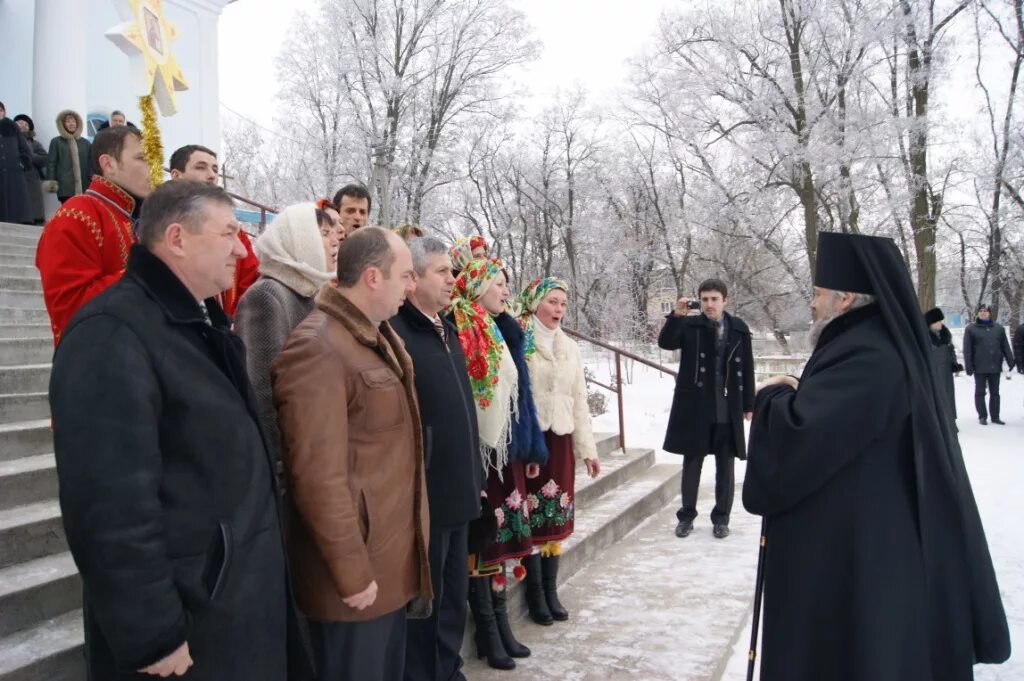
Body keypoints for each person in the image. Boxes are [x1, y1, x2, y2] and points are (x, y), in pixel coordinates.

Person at [48, 179, 311, 680]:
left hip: (233, 605)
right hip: (189, 629)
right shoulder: (112, 333)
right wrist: (153, 634)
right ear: (177, 238)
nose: (241, 247)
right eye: (229, 233)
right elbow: (108, 506)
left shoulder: (202, 324)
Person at [743, 231, 1009, 681]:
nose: (812, 304)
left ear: (845, 298)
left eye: (817, 293)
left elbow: (802, 437)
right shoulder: (874, 342)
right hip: (863, 538)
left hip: (861, 554)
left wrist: (773, 395)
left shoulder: (868, 353)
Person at [272, 227, 432, 681]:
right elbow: (316, 477)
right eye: (404, 275)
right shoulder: (318, 346)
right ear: (372, 277)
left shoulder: (372, 337)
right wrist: (351, 571)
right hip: (356, 581)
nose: (412, 284)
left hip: (387, 564)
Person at [389, 237, 484, 681]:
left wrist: (475, 471)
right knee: (427, 605)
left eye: (452, 270)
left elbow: (462, 408)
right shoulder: (397, 334)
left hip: (458, 491)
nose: (453, 279)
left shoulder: (443, 328)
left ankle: (448, 670)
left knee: (452, 598)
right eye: (442, 272)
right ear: (413, 281)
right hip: (426, 497)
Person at [448, 257, 548, 671]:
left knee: (504, 540)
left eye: (507, 284)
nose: (506, 291)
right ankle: (489, 632)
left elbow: (520, 393)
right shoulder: (463, 325)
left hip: (507, 449)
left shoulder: (500, 327)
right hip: (484, 452)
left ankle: (502, 624)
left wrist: (529, 445)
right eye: (498, 283)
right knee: (485, 541)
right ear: (477, 287)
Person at [516, 277, 601, 625]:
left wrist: (588, 449)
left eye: (563, 304)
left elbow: (579, 400)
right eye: (552, 302)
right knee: (534, 518)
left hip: (562, 440)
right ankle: (535, 595)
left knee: (556, 519)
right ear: (536, 302)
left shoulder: (570, 346)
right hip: (533, 442)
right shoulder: (520, 340)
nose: (558, 310)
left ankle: (551, 590)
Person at [233, 202, 339, 475]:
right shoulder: (267, 296)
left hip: (316, 455)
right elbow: (263, 391)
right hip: (292, 468)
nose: (335, 241)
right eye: (324, 234)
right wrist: (285, 467)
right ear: (299, 239)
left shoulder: (310, 294)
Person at [36, 126, 152, 343]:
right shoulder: (76, 214)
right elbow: (71, 308)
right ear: (108, 164)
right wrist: (153, 270)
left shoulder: (132, 219)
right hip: (95, 364)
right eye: (143, 158)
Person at [658, 279, 754, 539]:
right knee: (692, 464)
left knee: (726, 465)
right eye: (705, 299)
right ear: (699, 301)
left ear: (725, 300)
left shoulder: (739, 330)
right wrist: (676, 316)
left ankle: (721, 518)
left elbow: (747, 367)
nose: (709, 304)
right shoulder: (690, 325)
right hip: (696, 407)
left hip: (727, 407)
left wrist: (748, 404)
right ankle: (686, 517)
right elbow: (665, 343)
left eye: (714, 299)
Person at [169, 143, 259, 315]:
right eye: (201, 167)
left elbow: (251, 282)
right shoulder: (160, 223)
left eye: (215, 169)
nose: (211, 176)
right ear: (176, 175)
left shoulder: (234, 230)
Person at [963, 303, 1015, 425]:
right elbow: (967, 349)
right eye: (981, 311)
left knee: (995, 393)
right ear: (977, 313)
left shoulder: (998, 329)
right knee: (980, 392)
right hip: (979, 366)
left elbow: (1005, 346)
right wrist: (969, 366)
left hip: (995, 366)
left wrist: (1010, 360)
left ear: (990, 313)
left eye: (986, 311)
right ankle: (982, 416)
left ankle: (995, 416)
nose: (983, 312)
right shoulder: (971, 329)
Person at [924, 307, 963, 423]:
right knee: (935, 396)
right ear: (931, 323)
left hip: (946, 371)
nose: (941, 323)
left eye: (941, 321)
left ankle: (950, 420)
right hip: (932, 372)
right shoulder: (925, 337)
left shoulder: (945, 334)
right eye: (938, 321)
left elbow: (951, 352)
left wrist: (954, 365)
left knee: (948, 396)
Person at [45, 109, 92, 203]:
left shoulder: (85, 143)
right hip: (65, 187)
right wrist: (51, 181)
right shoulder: (56, 142)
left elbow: (91, 162)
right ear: (62, 124)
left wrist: (91, 178)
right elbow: (51, 163)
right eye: (68, 121)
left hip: (85, 185)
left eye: (73, 121)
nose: (71, 124)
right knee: (68, 213)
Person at [13, 114, 48, 224]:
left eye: (26, 124)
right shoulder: (8, 141)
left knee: (32, 205)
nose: (23, 126)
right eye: (19, 123)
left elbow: (45, 158)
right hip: (13, 176)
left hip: (31, 178)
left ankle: (35, 220)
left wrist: (30, 155)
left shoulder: (35, 144)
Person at [0, 114, 32, 224]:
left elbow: (24, 149)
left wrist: (21, 164)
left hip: (13, 172)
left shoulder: (11, 127)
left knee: (15, 205)